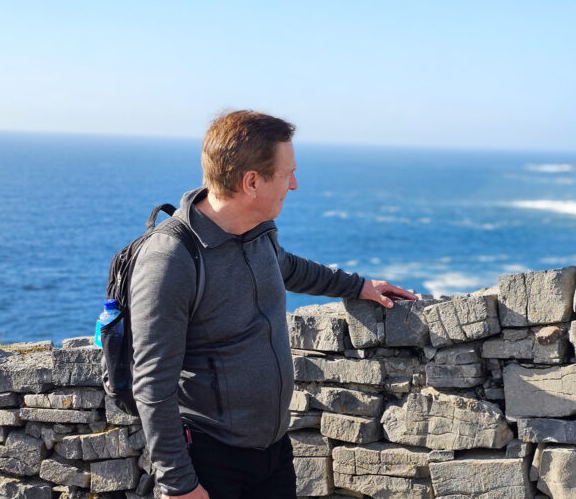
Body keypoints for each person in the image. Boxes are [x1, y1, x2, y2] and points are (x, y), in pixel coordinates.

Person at [129, 110, 417, 499]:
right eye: (287, 173)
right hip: (211, 461)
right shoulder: (171, 259)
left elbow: (285, 267)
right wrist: (180, 484)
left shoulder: (256, 230)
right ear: (251, 182)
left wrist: (359, 285)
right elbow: (152, 382)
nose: (294, 185)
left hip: (273, 452)